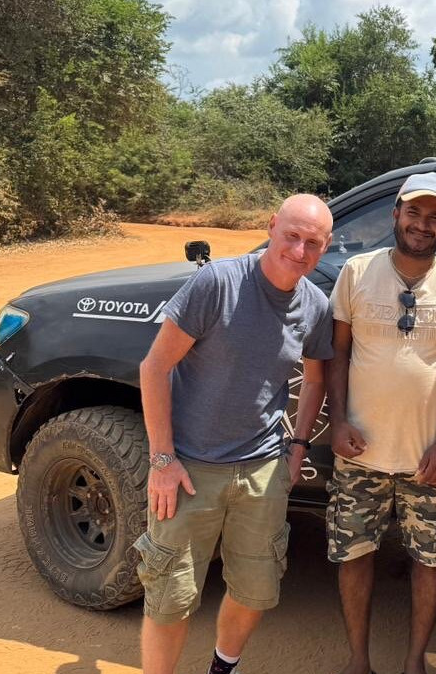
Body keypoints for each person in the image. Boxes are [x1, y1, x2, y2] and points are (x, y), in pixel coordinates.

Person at [136, 194, 335, 674]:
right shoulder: (217, 283)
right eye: (292, 236)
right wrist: (162, 461)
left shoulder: (315, 305)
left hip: (263, 472)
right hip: (188, 469)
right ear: (271, 227)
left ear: (325, 248)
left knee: (256, 589)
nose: (299, 250)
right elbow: (155, 366)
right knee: (171, 597)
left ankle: (222, 667)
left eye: (313, 243)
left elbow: (315, 377)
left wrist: (298, 445)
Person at [326, 172, 436, 674]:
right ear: (395, 213)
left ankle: (415, 661)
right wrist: (336, 422)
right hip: (359, 452)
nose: (422, 224)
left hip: (430, 458)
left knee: (431, 561)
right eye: (414, 212)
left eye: (434, 217)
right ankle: (359, 659)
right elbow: (338, 351)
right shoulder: (356, 271)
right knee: (353, 554)